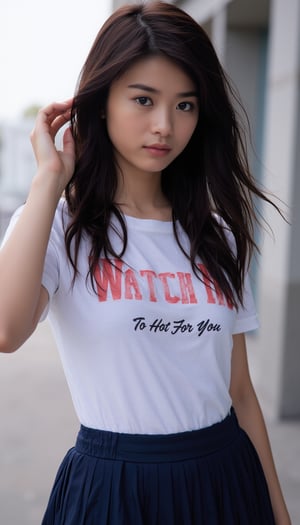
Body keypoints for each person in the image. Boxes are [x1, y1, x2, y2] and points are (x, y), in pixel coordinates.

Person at [0, 2, 291, 524]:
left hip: (225, 479)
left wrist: (278, 512)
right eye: (143, 99)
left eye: (185, 105)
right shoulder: (61, 225)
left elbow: (241, 393)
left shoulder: (215, 232)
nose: (165, 125)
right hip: (115, 489)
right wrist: (49, 179)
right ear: (101, 103)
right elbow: (5, 330)